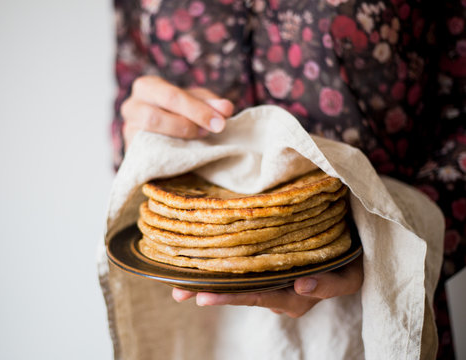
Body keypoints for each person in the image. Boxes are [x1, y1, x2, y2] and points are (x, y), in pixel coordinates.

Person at [110, 0, 465, 358]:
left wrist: (389, 249)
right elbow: (131, 89)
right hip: (193, 314)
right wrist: (141, 135)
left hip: (378, 312)